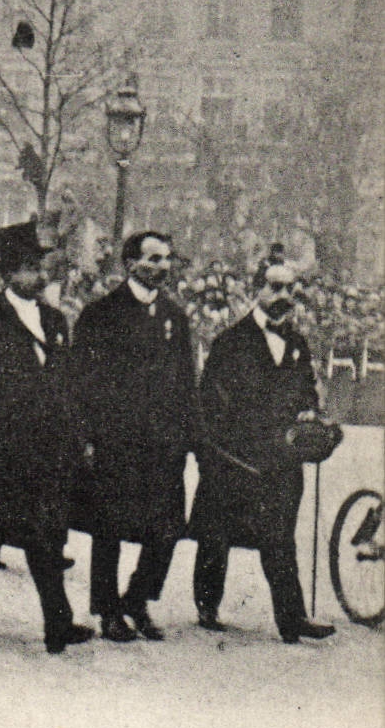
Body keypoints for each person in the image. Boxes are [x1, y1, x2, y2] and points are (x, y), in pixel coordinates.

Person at [0, 220, 95, 654]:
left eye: (41, 268)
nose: (39, 276)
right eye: (28, 269)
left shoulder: (55, 319)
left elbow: (67, 383)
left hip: (46, 447)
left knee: (46, 535)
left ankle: (57, 624)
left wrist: (76, 434)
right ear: (7, 274)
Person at [189, 261, 336, 643]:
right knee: (217, 535)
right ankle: (207, 603)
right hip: (235, 458)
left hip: (283, 458)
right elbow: (210, 403)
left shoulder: (298, 344)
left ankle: (293, 619)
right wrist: (219, 453)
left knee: (281, 538)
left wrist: (308, 410)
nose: (283, 296)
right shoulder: (230, 341)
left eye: (290, 288)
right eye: (274, 287)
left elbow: (307, 390)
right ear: (257, 289)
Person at [71, 231, 198, 642]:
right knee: (109, 528)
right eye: (154, 258)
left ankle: (137, 599)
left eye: (167, 259)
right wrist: (87, 436)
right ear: (130, 264)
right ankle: (107, 610)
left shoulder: (174, 318)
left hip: (163, 444)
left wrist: (185, 435)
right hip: (116, 442)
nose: (163, 266)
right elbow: (82, 382)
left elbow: (185, 382)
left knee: (167, 528)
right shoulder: (101, 314)